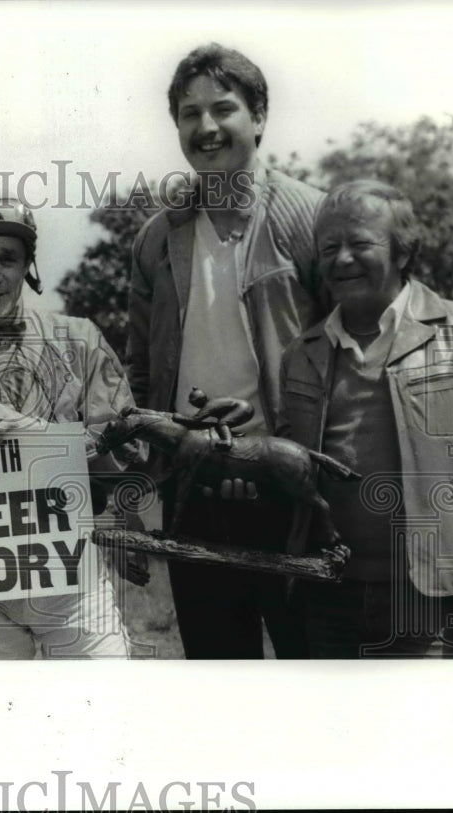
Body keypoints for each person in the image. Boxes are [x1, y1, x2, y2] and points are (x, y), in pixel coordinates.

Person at [126, 43, 327, 658]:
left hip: (293, 487)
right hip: (195, 488)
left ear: (259, 116)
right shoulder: (157, 236)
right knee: (218, 676)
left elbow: (354, 355)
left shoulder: (311, 217)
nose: (206, 128)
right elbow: (139, 370)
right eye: (189, 114)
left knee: (313, 668)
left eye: (223, 108)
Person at [0, 195, 139, 659]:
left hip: (71, 578)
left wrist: (39, 435)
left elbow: (128, 458)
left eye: (9, 259)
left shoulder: (80, 340)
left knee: (103, 715)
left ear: (27, 267)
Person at [277, 180, 453, 657]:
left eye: (360, 244)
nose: (342, 259)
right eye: (329, 248)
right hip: (327, 593)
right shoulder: (301, 354)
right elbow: (290, 466)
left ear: (402, 252)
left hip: (428, 597)